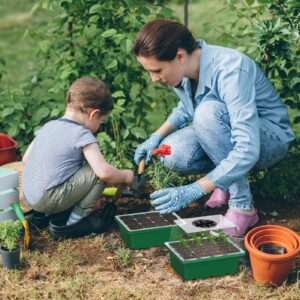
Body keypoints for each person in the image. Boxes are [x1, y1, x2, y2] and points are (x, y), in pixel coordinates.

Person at [133, 19, 295, 236]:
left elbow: (247, 148)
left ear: (180, 56)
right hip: (226, 132)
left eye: (157, 70)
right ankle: (224, 182)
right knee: (172, 153)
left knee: (207, 113)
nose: (153, 79)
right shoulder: (183, 74)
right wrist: (155, 136)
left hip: (268, 139)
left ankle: (242, 206)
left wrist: (194, 189)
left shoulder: (231, 69)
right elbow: (185, 108)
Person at [22, 77, 134, 238]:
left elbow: (26, 159)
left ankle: (43, 216)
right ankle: (73, 223)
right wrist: (125, 175)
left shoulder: (49, 126)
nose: (100, 125)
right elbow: (104, 173)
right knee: (96, 172)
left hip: (31, 198)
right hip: (49, 199)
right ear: (93, 114)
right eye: (101, 121)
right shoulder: (82, 134)